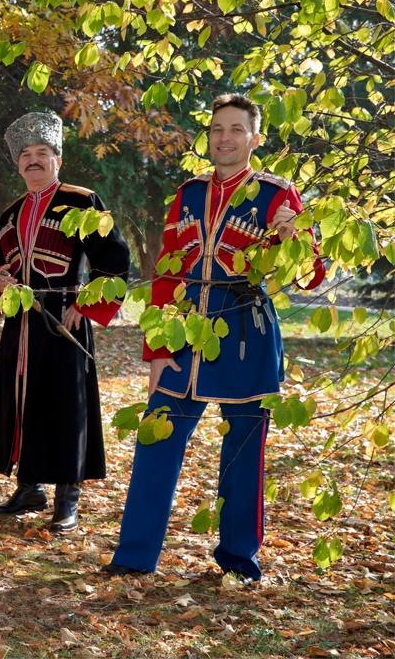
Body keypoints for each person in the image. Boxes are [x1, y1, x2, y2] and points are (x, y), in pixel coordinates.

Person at [106, 94, 325, 579]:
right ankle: (134, 559)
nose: (224, 138)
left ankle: (238, 560)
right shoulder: (187, 193)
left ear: (255, 138)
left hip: (246, 333)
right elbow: (164, 274)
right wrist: (157, 348)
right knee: (155, 439)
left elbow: (310, 276)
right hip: (183, 333)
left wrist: (295, 239)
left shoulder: (277, 194)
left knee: (243, 453)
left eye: (236, 129)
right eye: (217, 129)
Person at [0, 111, 130, 531]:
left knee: (67, 407)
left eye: (41, 153)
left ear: (57, 159)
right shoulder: (10, 212)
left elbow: (115, 260)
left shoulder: (82, 202)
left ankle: (68, 496)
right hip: (21, 322)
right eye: (25, 155)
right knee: (23, 403)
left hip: (64, 317)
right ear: (18, 164)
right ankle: (29, 487)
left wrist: (83, 304)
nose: (33, 161)